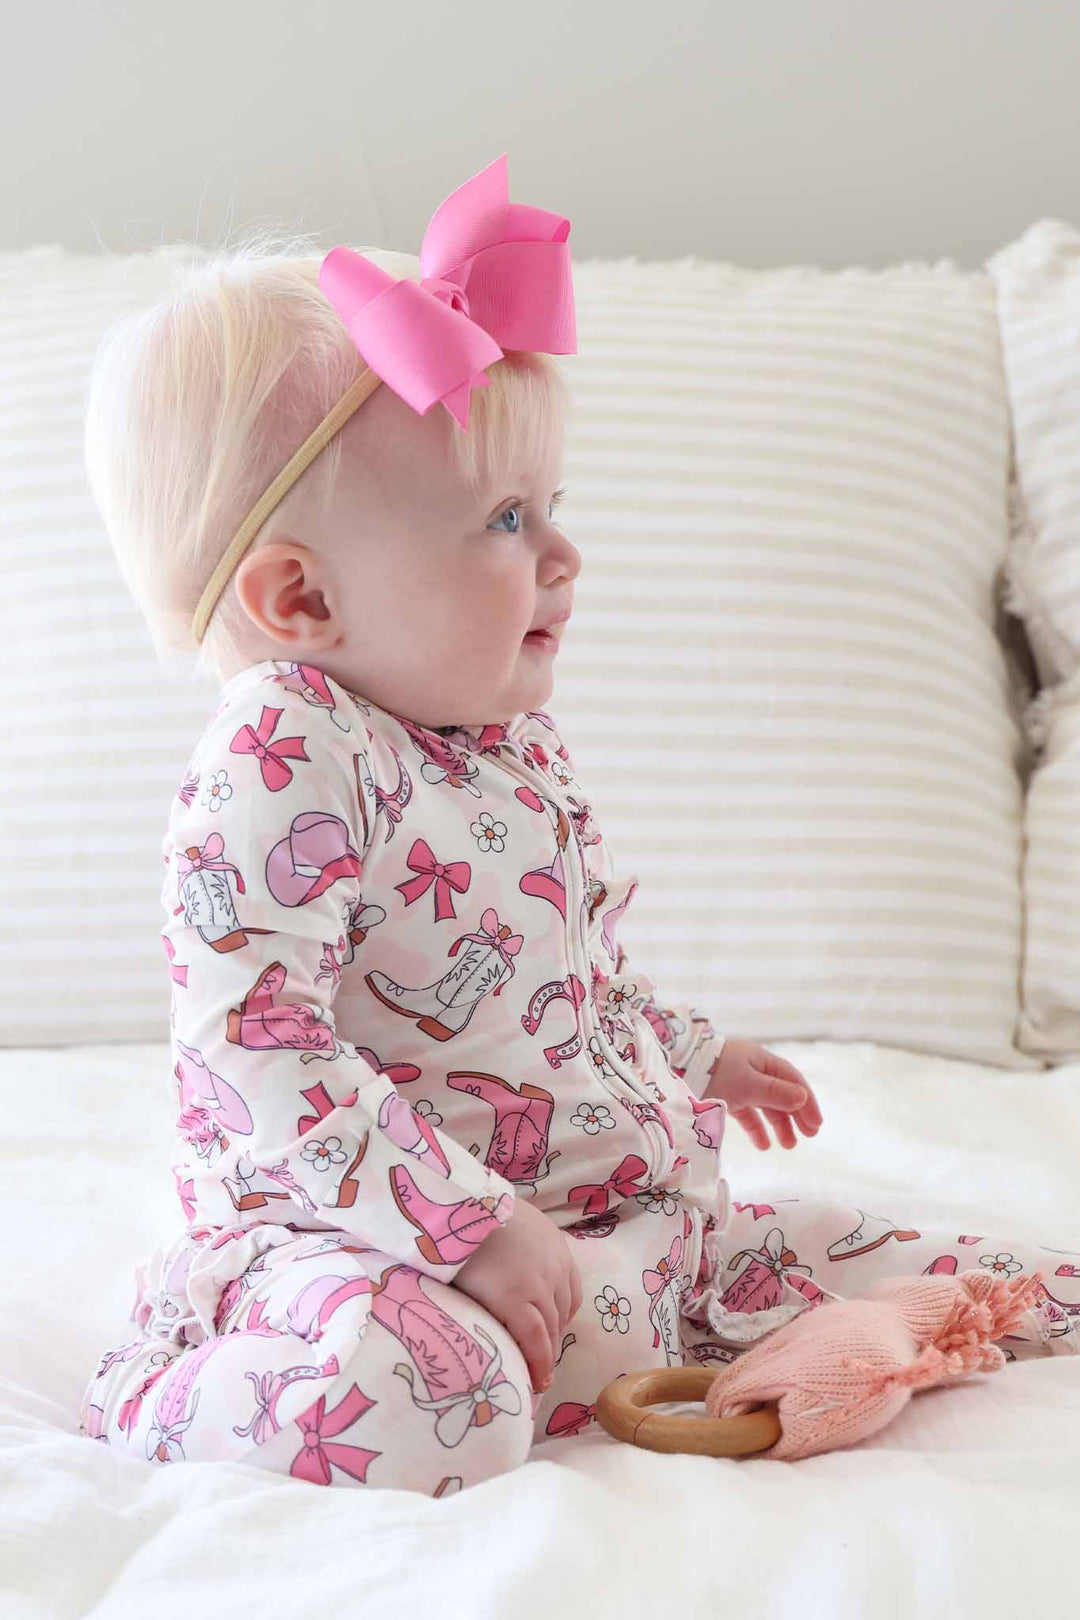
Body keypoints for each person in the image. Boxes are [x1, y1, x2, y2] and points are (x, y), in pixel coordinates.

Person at [77, 155, 1078, 1494]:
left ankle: (787, 1328)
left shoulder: (504, 742)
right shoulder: (287, 745)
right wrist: (465, 1226)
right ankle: (169, 1383)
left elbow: (559, 988)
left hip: (626, 1229)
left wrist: (693, 1052)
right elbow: (257, 1046)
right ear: (302, 601)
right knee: (438, 1404)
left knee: (1005, 1284)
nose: (563, 556)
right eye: (505, 519)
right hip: (371, 1242)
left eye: (555, 509)